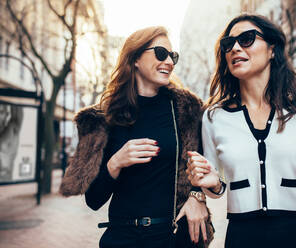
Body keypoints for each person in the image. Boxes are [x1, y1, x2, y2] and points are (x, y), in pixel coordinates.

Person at [185, 14, 296, 248]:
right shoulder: (214, 116)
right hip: (241, 235)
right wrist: (212, 184)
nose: (235, 48)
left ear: (271, 49)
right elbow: (216, 189)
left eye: (247, 39)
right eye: (229, 44)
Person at [59, 26, 213, 248]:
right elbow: (93, 201)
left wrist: (196, 197)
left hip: (172, 237)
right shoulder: (102, 118)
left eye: (173, 56)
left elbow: (203, 166)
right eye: (161, 53)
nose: (169, 61)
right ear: (135, 59)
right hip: (122, 239)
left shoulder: (186, 110)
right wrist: (115, 162)